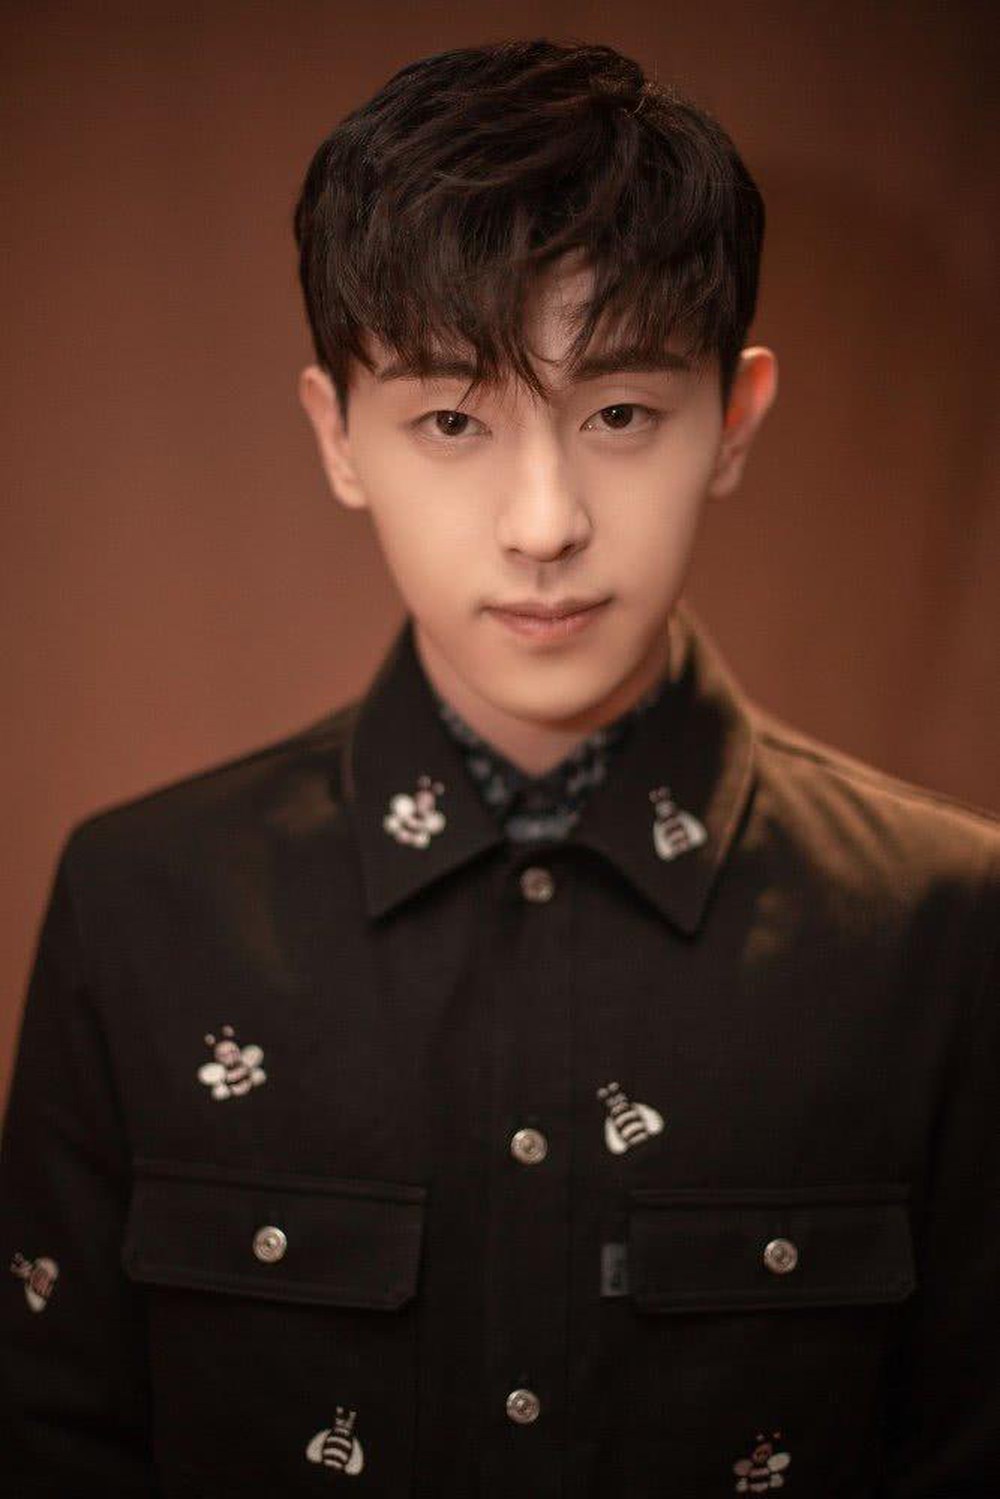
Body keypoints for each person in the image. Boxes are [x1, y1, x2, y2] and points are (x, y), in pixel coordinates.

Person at [2, 37, 997, 1498]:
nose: (544, 524)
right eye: (453, 421)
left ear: (735, 422)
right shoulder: (140, 906)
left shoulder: (947, 930)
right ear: (339, 436)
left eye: (620, 415)